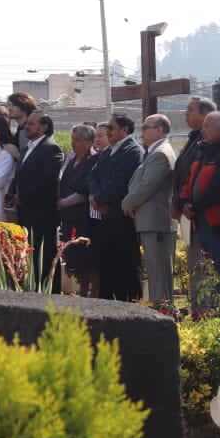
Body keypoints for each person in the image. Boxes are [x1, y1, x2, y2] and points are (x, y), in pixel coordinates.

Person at [180, 111, 220, 307]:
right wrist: (183, 203)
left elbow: (219, 190)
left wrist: (195, 206)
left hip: (215, 221)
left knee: (217, 268)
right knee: (202, 269)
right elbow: (191, 180)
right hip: (199, 219)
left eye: (208, 126)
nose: (203, 129)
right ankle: (204, 310)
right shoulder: (204, 150)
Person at [122, 114, 178, 310]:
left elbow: (147, 185)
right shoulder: (152, 152)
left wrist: (127, 203)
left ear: (160, 130)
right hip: (150, 220)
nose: (142, 132)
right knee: (155, 268)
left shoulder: (161, 153)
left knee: (159, 268)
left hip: (157, 221)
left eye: (147, 127)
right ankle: (160, 306)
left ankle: (161, 309)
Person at [89, 113, 146, 303]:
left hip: (122, 217)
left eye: (111, 128)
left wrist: (101, 199)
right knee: (108, 264)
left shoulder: (132, 151)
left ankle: (126, 302)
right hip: (106, 215)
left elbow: (120, 183)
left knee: (124, 264)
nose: (108, 132)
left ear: (124, 130)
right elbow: (93, 176)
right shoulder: (108, 151)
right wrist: (95, 197)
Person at [172, 96, 212, 314]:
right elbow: (181, 175)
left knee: (203, 268)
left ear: (205, 115)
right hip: (186, 211)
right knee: (193, 266)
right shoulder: (193, 139)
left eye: (190, 110)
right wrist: (177, 202)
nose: (185, 114)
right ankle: (197, 309)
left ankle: (204, 311)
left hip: (201, 214)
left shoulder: (206, 145)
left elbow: (199, 179)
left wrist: (186, 203)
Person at [14, 113, 63, 290]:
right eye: (27, 123)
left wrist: (24, 195)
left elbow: (47, 181)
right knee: (31, 256)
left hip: (42, 214)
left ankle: (50, 291)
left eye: (32, 124)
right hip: (26, 212)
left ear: (44, 127)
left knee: (44, 255)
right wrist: (13, 194)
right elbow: (19, 176)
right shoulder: (28, 148)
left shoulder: (51, 148)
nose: (27, 127)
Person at [58, 124, 101, 297]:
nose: (74, 143)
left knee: (88, 257)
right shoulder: (71, 159)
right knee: (75, 256)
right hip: (69, 217)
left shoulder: (93, 160)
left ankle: (91, 291)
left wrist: (64, 202)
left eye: (78, 140)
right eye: (73, 139)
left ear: (88, 142)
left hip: (84, 217)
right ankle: (81, 288)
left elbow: (84, 190)